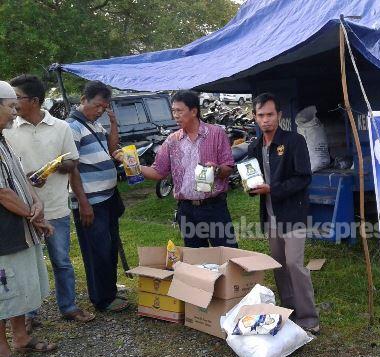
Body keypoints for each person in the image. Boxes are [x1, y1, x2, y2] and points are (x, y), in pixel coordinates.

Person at [4, 75, 95, 328]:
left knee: (62, 261)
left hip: (55, 206)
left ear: (34, 100)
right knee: (29, 264)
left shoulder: (61, 127)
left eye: (17, 98)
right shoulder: (8, 129)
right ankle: (30, 314)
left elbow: (73, 162)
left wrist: (53, 167)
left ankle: (68, 306)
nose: (14, 104)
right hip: (22, 211)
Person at [116, 90, 236, 248]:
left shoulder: (216, 134)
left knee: (227, 255)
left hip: (214, 207)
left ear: (194, 111)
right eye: (173, 111)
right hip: (187, 210)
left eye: (179, 110)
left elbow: (229, 167)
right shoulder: (172, 141)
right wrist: (131, 163)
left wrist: (218, 170)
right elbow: (158, 172)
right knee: (196, 262)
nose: (175, 115)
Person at [247, 93, 320, 333]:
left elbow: (303, 177)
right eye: (261, 115)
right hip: (270, 216)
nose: (265, 120)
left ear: (279, 115)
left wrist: (272, 189)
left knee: (294, 263)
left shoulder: (294, 141)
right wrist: (250, 186)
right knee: (279, 264)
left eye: (270, 114)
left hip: (293, 214)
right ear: (254, 117)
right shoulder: (256, 147)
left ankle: (309, 318)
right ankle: (289, 311)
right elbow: (253, 177)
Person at [0, 81, 57, 357]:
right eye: (10, 106)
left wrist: (37, 201)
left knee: (20, 285)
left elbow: (20, 177)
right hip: (4, 235)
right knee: (3, 289)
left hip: (19, 229)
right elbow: (2, 192)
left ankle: (21, 338)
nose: (15, 112)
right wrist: (34, 217)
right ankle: (2, 348)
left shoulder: (3, 139)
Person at [67, 81, 129, 312]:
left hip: (108, 197)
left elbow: (112, 149)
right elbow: (71, 168)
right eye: (97, 105)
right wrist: (83, 203)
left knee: (110, 245)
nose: (100, 110)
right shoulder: (72, 127)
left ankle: (109, 289)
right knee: (97, 250)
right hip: (90, 202)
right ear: (83, 99)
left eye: (105, 107)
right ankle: (101, 299)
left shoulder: (94, 124)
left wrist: (112, 122)